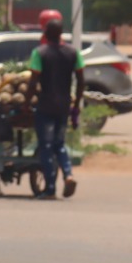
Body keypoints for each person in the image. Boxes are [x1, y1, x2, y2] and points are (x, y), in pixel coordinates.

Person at [28, 19, 84, 200]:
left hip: (45, 105)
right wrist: (76, 105)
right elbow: (81, 80)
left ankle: (50, 188)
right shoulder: (73, 53)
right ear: (61, 34)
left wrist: (26, 103)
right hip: (64, 105)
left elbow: (33, 80)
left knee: (45, 146)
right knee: (59, 144)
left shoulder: (39, 53)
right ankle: (68, 174)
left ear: (45, 34)